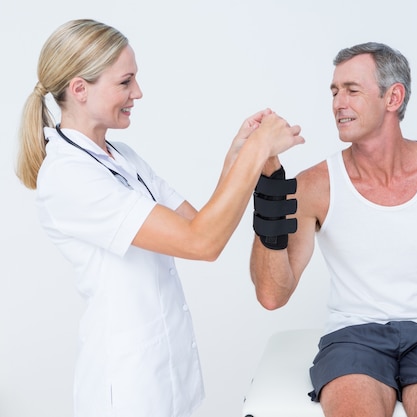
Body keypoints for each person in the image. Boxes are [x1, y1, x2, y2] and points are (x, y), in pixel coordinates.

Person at [15, 19, 304, 417]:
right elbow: (202, 244)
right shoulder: (69, 176)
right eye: (125, 82)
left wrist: (238, 153)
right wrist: (257, 153)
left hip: (164, 374)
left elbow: (199, 223)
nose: (137, 93)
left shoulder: (122, 157)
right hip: (125, 390)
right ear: (79, 89)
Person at [249, 42, 417, 417]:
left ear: (393, 96)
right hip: (353, 338)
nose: (337, 103)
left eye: (352, 90)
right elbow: (271, 294)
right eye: (334, 91)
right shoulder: (314, 186)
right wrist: (270, 187)